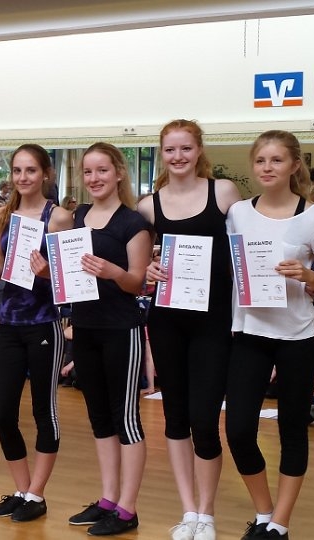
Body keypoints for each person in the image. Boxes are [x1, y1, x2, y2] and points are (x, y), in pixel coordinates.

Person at [225, 130, 314, 540]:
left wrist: (307, 275)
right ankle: (263, 512)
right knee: (238, 430)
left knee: (292, 428)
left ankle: (280, 524)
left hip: (297, 337)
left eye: (276, 160)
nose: (267, 168)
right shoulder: (237, 213)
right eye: (260, 161)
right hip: (249, 334)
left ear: (294, 165)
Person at [138, 119, 242, 540]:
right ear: (161, 154)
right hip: (167, 321)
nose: (178, 156)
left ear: (199, 150)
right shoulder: (149, 206)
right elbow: (137, 264)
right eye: (170, 149)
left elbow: (243, 252)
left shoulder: (224, 193)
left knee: (204, 418)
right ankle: (188, 511)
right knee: (176, 416)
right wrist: (147, 269)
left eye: (185, 148)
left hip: (212, 322)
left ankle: (208, 512)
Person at [0, 144, 73, 522]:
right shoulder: (3, 215)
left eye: (30, 170)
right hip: (8, 323)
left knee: (44, 411)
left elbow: (70, 279)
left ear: (45, 173)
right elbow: (1, 269)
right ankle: (22, 489)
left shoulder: (59, 217)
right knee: (3, 414)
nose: (23, 177)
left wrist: (48, 272)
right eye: (17, 170)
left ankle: (37, 494)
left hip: (43, 323)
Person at [67, 142, 151, 536]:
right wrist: (47, 270)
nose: (94, 178)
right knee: (99, 416)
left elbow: (137, 283)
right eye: (88, 172)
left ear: (118, 172)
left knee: (126, 419)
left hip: (121, 330)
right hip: (85, 328)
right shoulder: (79, 216)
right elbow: (70, 270)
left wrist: (113, 272)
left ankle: (128, 509)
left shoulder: (133, 223)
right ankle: (108, 499)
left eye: (102, 170)